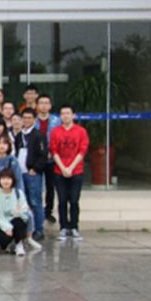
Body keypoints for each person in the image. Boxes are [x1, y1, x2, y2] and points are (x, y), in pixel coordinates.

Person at [50, 104, 89, 241]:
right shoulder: (55, 131)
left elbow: (82, 151)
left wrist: (71, 168)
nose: (65, 116)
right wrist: (63, 168)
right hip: (59, 171)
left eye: (68, 113)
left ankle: (74, 227)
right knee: (62, 200)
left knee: (74, 200)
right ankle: (63, 227)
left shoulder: (81, 131)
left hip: (76, 170)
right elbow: (53, 151)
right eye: (63, 113)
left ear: (73, 115)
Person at [15, 108, 49, 240]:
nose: (27, 120)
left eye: (29, 118)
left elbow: (43, 155)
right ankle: (27, 229)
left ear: (34, 120)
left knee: (35, 202)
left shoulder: (38, 135)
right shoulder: (19, 135)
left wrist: (35, 168)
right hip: (20, 173)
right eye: (24, 118)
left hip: (32, 173)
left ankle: (38, 230)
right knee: (24, 202)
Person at [0, 168, 30, 256]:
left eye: (8, 178)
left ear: (12, 180)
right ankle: (10, 243)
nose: (6, 181)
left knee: (19, 222)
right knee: (4, 242)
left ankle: (19, 244)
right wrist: (7, 227)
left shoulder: (18, 193)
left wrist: (17, 212)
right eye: (3, 178)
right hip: (0, 224)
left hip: (15, 221)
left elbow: (23, 210)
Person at [36, 94, 61, 224]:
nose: (44, 106)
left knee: (50, 187)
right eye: (41, 103)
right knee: (37, 186)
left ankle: (48, 211)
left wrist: (53, 152)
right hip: (37, 159)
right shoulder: (32, 120)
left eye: (46, 103)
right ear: (37, 105)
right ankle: (38, 211)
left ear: (50, 106)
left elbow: (59, 139)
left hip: (52, 158)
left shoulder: (57, 121)